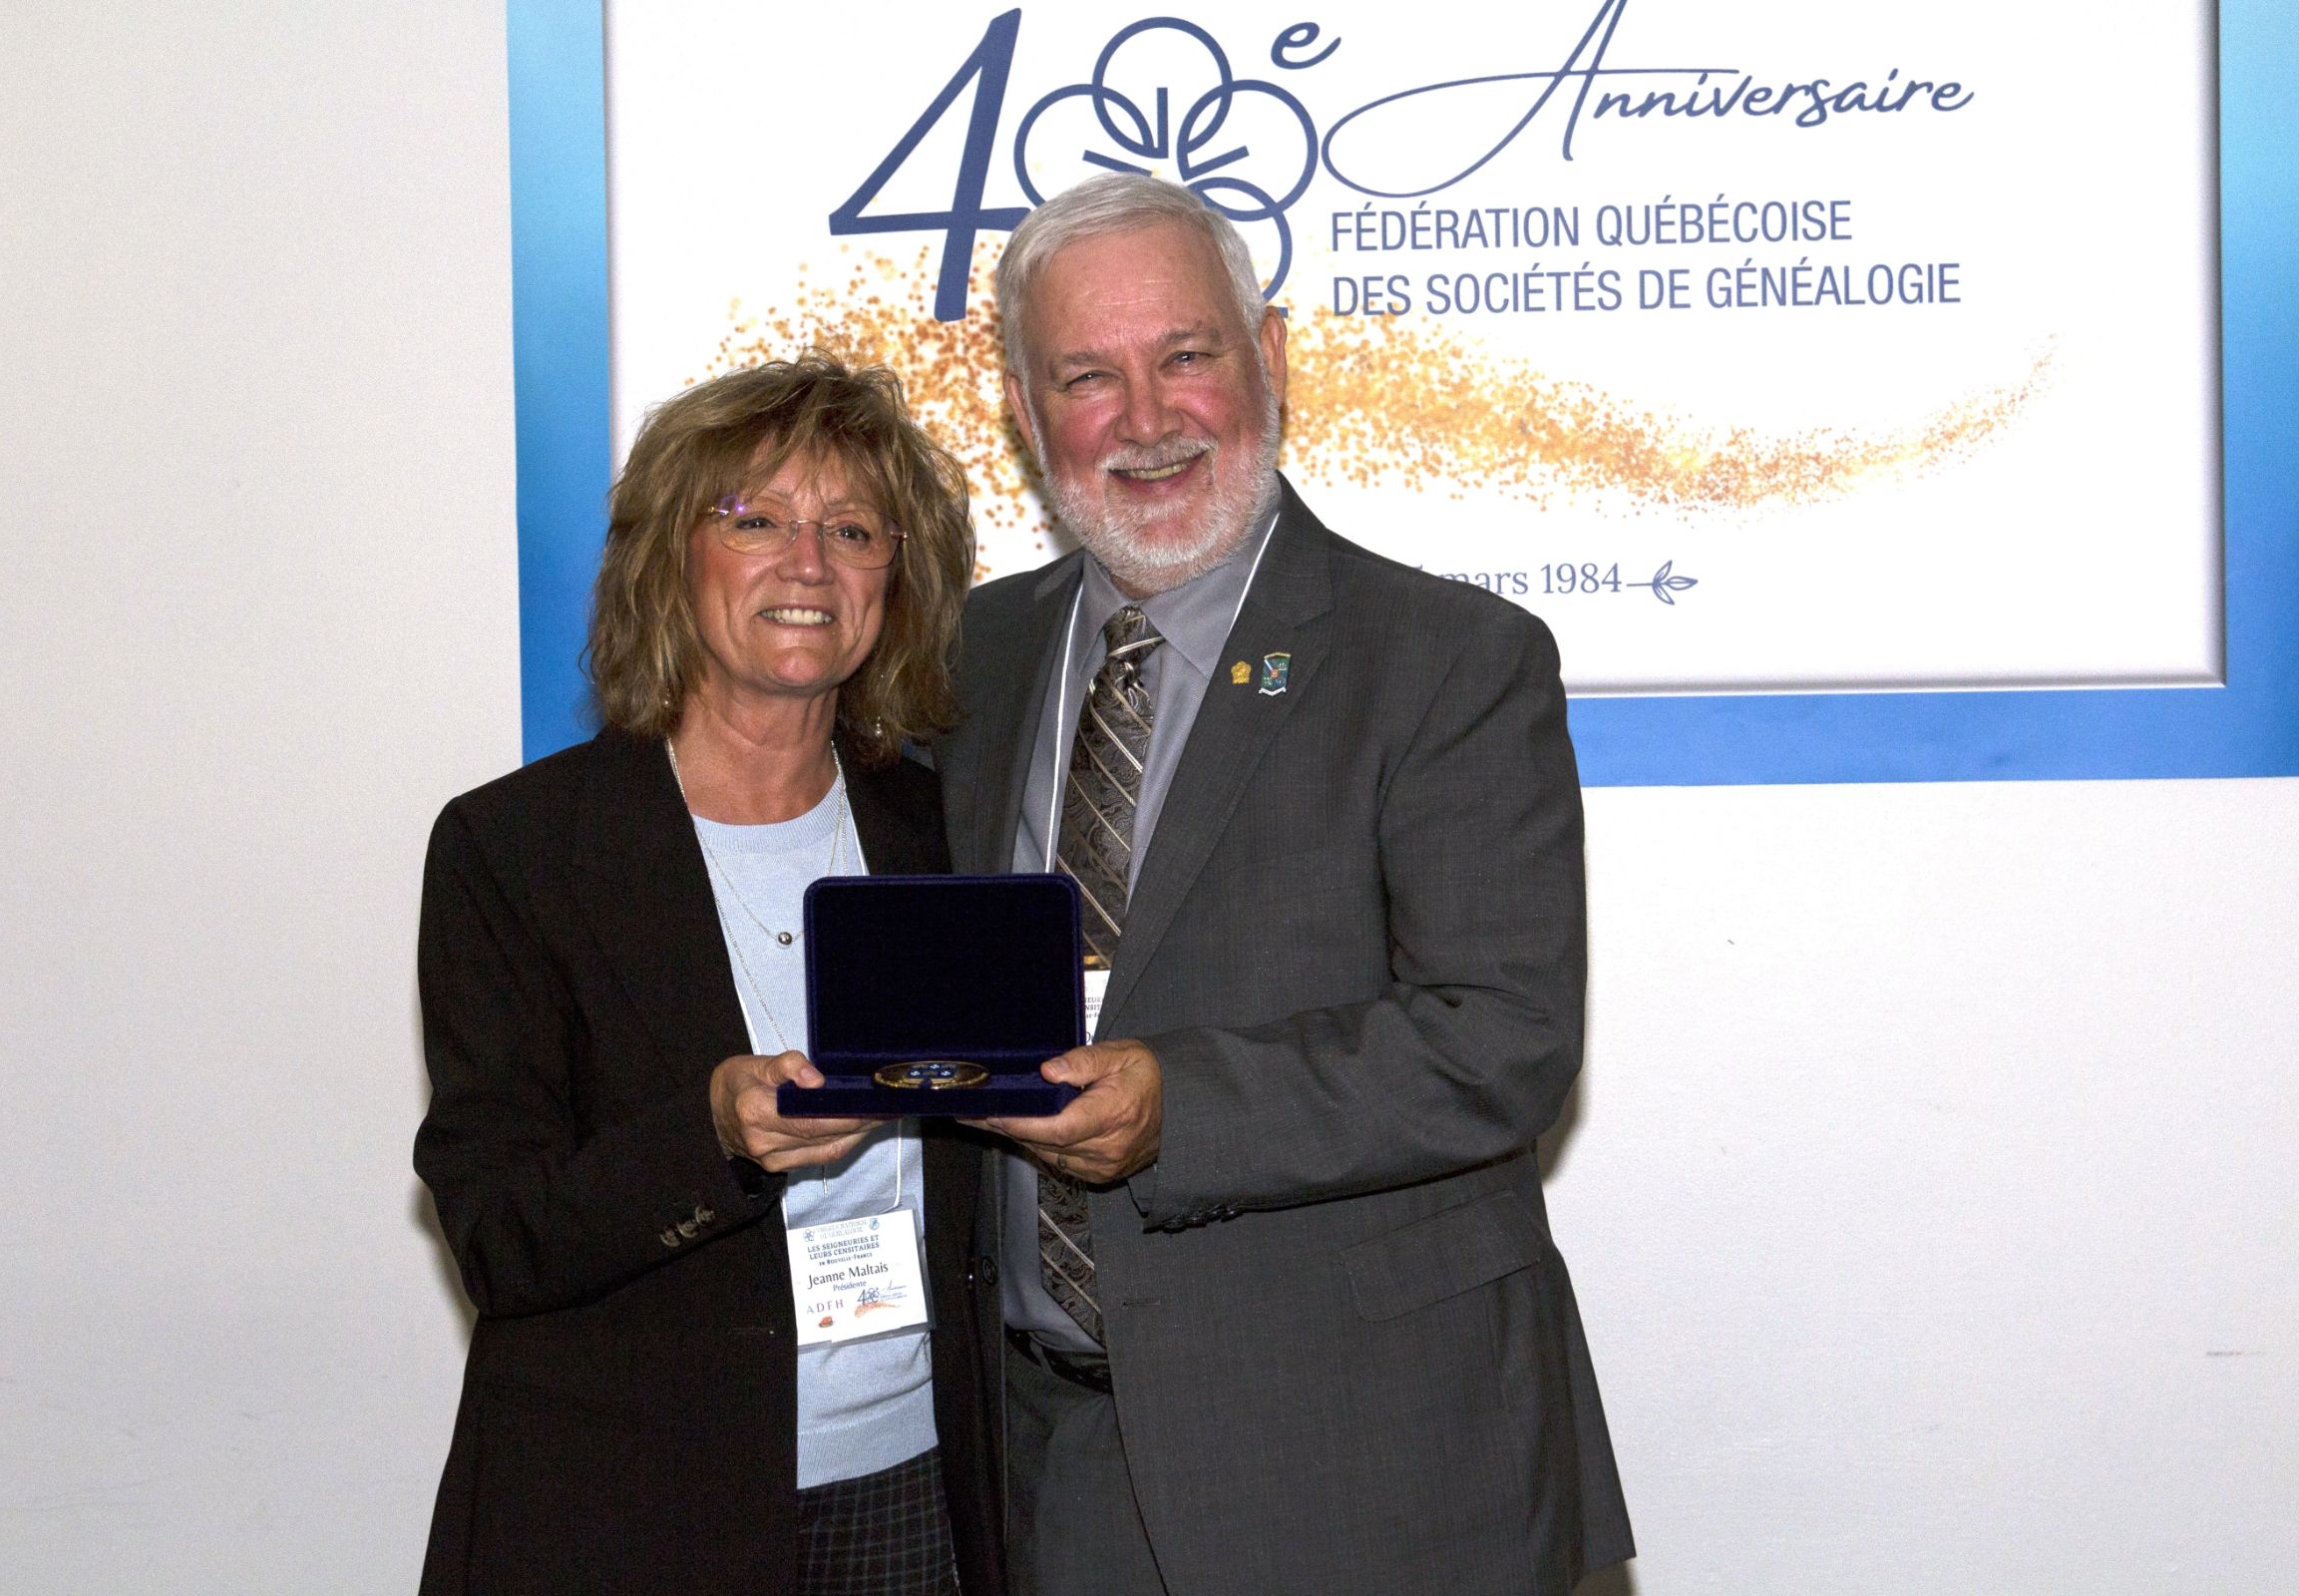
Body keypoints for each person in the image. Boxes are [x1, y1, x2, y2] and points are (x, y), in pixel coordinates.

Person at [935, 175, 1635, 1595]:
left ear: (1270, 355)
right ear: (1021, 409)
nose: (1146, 419)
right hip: (1041, 1466)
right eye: (1088, 376)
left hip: (1372, 1468)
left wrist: (1176, 1106)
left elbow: (1500, 1040)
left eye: (1186, 355)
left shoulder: (1450, 659)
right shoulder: (964, 658)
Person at [414, 355, 1001, 1596]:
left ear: (894, 579)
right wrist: (711, 1137)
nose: (809, 563)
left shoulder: (950, 830)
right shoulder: (518, 851)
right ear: (670, 561)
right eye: (756, 520)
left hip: (917, 1485)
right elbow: (496, 1236)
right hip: (636, 1508)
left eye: (851, 528)